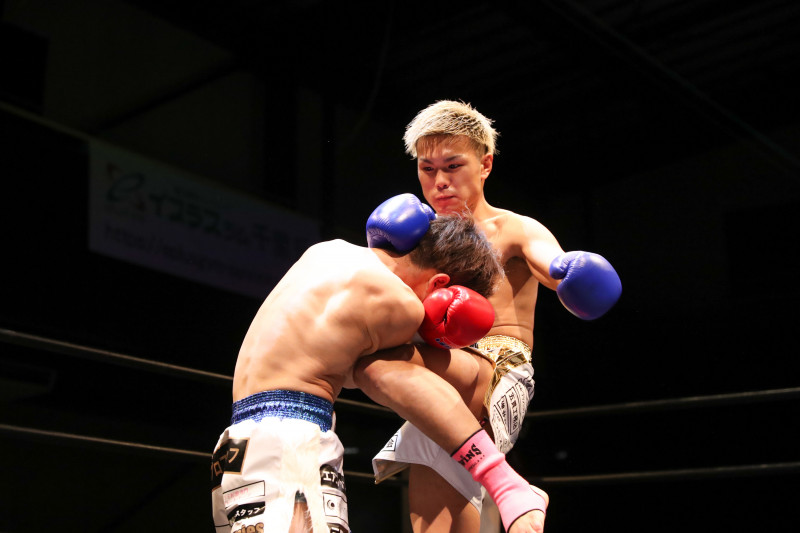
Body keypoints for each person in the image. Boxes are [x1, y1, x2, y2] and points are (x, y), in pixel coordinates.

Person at [210, 195, 548, 533]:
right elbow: (377, 375)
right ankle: (506, 483)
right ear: (440, 285)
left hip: (234, 444)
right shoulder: (403, 306)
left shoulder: (326, 251)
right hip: (292, 444)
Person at [371, 101, 622, 533]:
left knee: (378, 365)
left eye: (453, 166)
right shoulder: (418, 241)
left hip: (498, 367)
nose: (439, 181)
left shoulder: (513, 229)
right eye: (427, 169)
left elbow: (553, 264)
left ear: (485, 164)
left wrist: (567, 269)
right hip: (437, 374)